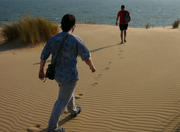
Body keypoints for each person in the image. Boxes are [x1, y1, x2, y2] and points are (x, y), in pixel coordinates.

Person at [39, 14, 96, 132]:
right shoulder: (76, 40)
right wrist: (92, 66)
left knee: (68, 91)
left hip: (57, 75)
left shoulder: (53, 39)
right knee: (61, 101)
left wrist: (41, 70)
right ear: (73, 26)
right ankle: (52, 128)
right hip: (69, 75)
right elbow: (86, 56)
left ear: (61, 25)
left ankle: (73, 110)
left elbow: (44, 55)